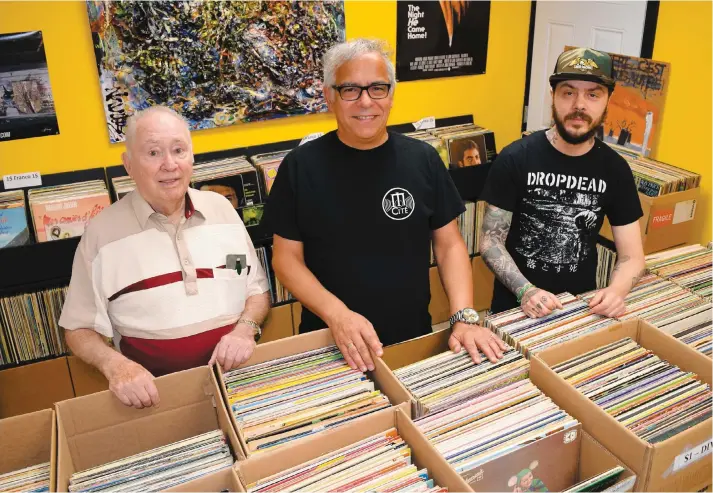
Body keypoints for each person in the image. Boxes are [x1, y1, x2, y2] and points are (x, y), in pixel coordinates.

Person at [265, 38, 506, 372]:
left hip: (412, 338)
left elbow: (450, 245)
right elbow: (285, 260)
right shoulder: (299, 166)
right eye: (350, 89)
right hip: (331, 341)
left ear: (391, 95)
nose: (366, 102)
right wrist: (339, 316)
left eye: (377, 88)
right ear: (329, 96)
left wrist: (464, 316)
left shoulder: (422, 159)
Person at [59, 106, 271, 409]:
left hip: (241, 384)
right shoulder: (102, 235)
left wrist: (245, 329)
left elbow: (254, 289)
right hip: (157, 401)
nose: (169, 164)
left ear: (192, 157)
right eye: (154, 153)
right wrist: (117, 367)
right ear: (129, 164)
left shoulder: (222, 211)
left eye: (178, 150)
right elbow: (78, 328)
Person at [479, 47, 645, 318]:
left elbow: (633, 257)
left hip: (581, 309)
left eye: (593, 94)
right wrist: (526, 291)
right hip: (515, 309)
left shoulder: (615, 170)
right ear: (552, 97)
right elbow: (490, 241)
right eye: (568, 92)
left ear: (607, 102)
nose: (579, 105)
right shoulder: (515, 158)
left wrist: (616, 291)